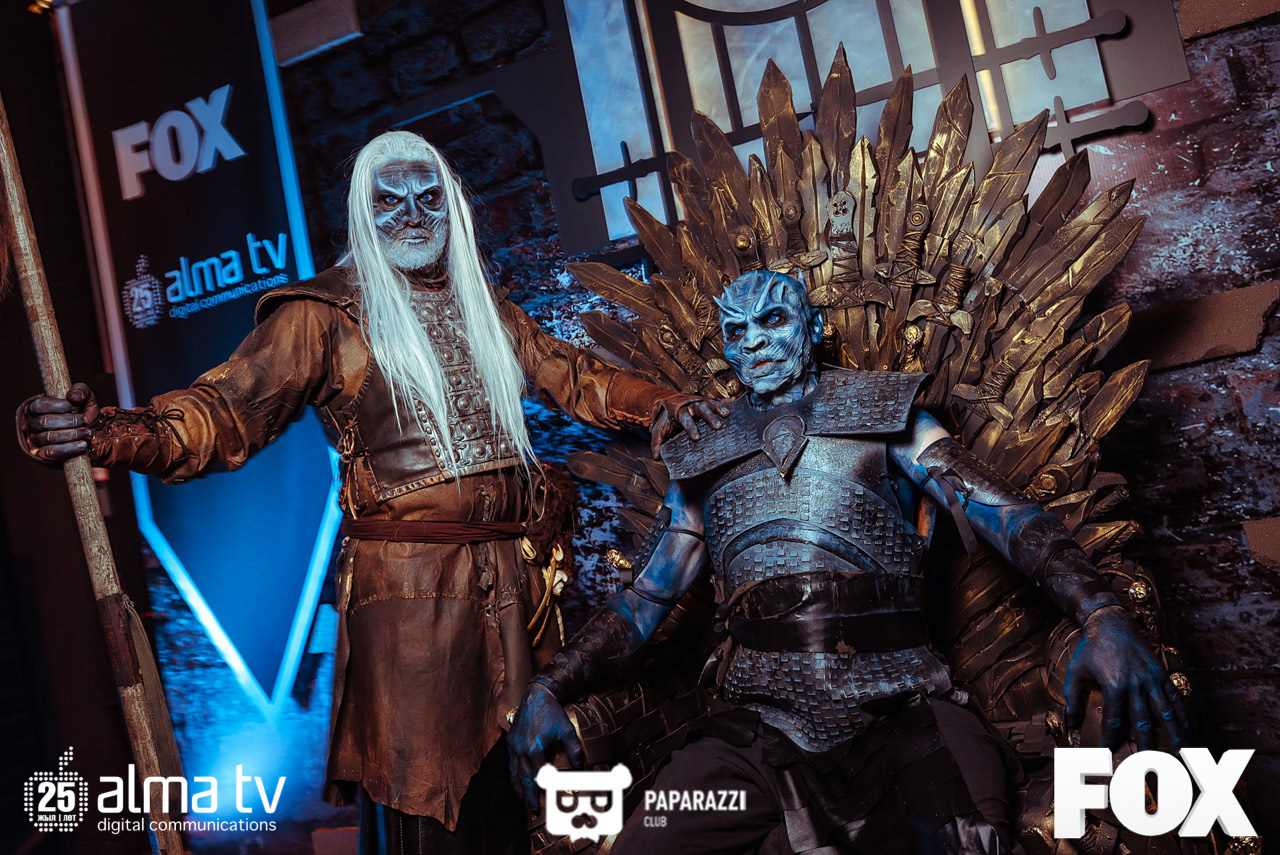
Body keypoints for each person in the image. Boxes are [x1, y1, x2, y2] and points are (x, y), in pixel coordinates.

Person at [16, 130, 726, 854]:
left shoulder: (485, 307)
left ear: (451, 206)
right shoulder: (323, 315)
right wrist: (105, 432)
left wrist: (660, 402)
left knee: (523, 796)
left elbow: (575, 375)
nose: (413, 215)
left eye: (429, 198)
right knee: (426, 796)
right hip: (409, 596)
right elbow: (224, 412)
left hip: (514, 589)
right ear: (364, 212)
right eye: (391, 202)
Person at [508, 269, 1187, 854]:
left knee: (975, 837)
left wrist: (1102, 611)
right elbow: (643, 601)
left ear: (814, 326)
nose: (755, 343)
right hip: (753, 736)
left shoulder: (890, 414)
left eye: (773, 320)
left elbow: (1005, 515)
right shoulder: (702, 455)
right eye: (737, 332)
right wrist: (548, 686)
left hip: (899, 709)